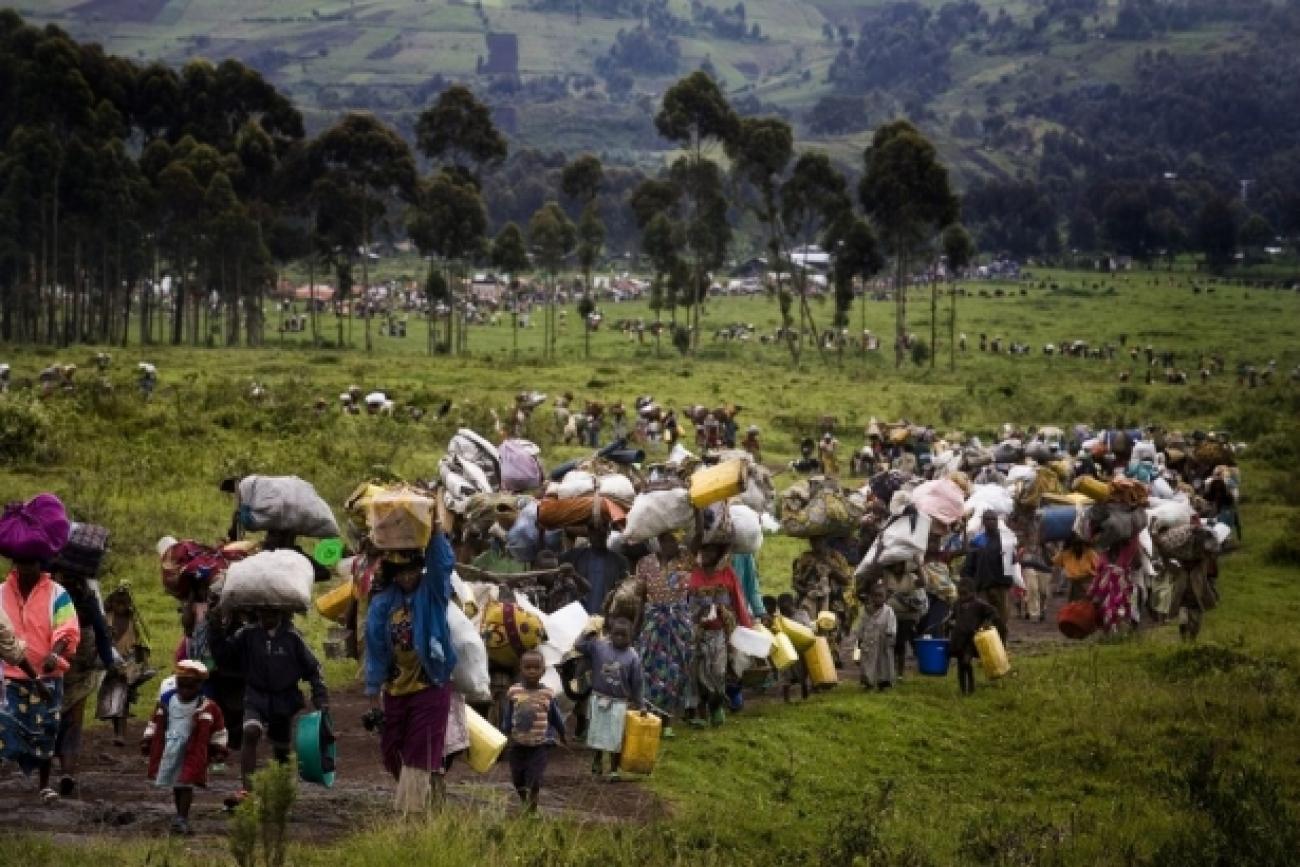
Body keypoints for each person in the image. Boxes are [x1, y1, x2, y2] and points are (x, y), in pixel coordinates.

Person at [364, 538, 458, 813]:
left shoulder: (433, 593)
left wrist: (437, 532)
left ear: (421, 569)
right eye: (401, 572)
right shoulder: (383, 604)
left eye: (413, 570)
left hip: (430, 684)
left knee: (420, 748)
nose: (407, 577)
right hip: (395, 687)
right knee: (392, 750)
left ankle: (411, 814)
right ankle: (432, 793)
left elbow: (442, 565)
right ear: (393, 573)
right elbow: (375, 648)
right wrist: (372, 692)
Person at [209, 607, 329, 805]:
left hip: (285, 698)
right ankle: (247, 791)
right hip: (255, 695)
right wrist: (215, 628)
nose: (267, 618)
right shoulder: (247, 635)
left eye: (271, 614)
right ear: (257, 614)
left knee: (281, 749)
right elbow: (224, 656)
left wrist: (320, 697)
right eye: (263, 614)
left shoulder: (293, 638)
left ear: (281, 614)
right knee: (250, 732)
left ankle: (282, 794)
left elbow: (313, 668)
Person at [0, 556, 77, 803]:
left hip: (48, 676)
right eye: (21, 562)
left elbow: (68, 629)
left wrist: (55, 654)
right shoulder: (1, 593)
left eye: (30, 562)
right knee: (6, 725)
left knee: (46, 729)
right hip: (9, 676)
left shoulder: (57, 593)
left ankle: (44, 785)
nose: (25, 567)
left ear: (40, 564)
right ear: (14, 564)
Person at [143, 660, 228, 836]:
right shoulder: (166, 702)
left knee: (186, 783)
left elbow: (218, 728)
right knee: (177, 783)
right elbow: (155, 722)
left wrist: (219, 748)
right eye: (182, 686)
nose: (185, 691)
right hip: (171, 748)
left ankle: (182, 817)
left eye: (190, 687)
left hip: (193, 750)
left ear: (200, 685)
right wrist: (148, 739)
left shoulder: (207, 706)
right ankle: (180, 816)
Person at [52, 566, 116, 797]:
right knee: (73, 722)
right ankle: (67, 770)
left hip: (52, 668)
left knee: (50, 717)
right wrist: (109, 663)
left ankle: (48, 769)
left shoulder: (52, 596)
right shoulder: (87, 598)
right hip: (79, 670)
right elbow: (101, 632)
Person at [633, 533, 693, 737]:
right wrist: (636, 626)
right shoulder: (645, 564)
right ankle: (650, 717)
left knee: (674, 671)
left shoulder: (685, 559)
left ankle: (667, 721)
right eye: (667, 540)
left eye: (675, 541)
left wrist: (696, 514)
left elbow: (700, 537)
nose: (672, 545)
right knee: (649, 668)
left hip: (678, 623)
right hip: (653, 621)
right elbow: (641, 598)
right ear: (658, 541)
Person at [686, 543, 752, 727]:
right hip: (696, 631)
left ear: (718, 553)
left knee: (718, 671)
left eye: (711, 550)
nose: (706, 553)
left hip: (720, 632)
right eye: (704, 549)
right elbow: (685, 601)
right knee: (697, 673)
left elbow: (738, 601)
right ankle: (701, 712)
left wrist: (746, 627)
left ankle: (716, 707)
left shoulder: (727, 573)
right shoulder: (693, 572)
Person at [575, 617, 644, 779]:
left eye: (624, 635)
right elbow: (579, 645)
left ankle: (613, 770)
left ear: (631, 636)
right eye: (616, 634)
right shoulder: (599, 646)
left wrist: (641, 704)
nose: (619, 638)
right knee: (597, 734)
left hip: (619, 703)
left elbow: (638, 683)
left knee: (616, 738)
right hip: (598, 698)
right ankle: (597, 762)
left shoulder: (633, 657)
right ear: (610, 634)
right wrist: (588, 631)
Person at [502, 649, 568, 811]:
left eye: (536, 668)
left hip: (539, 745)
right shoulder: (514, 692)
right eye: (527, 667)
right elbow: (508, 715)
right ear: (521, 669)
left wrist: (562, 733)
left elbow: (555, 716)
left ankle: (532, 808)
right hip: (517, 745)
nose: (532, 671)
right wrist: (505, 733)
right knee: (517, 779)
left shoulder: (547, 694)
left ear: (543, 671)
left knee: (534, 778)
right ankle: (524, 801)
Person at [97, 583, 154, 747]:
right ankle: (118, 732)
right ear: (112, 603)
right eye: (117, 603)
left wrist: (143, 663)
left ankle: (120, 734)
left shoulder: (133, 621)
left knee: (122, 699)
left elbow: (142, 643)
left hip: (128, 666)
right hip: (110, 665)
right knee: (114, 699)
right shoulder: (106, 618)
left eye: (124, 604)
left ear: (129, 604)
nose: (120, 607)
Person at [961, 511, 1015, 641]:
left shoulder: (1005, 540)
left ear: (997, 521)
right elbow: (969, 566)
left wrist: (1007, 556)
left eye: (993, 519)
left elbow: (1013, 562)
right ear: (983, 522)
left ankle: (1002, 649)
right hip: (982, 587)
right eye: (988, 519)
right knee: (983, 620)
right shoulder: (977, 542)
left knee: (1002, 619)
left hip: (1000, 586)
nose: (991, 522)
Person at [561, 525, 630, 617]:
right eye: (594, 531)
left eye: (602, 532)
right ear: (588, 532)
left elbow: (623, 589)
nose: (598, 535)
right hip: (579, 614)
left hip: (607, 616)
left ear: (608, 532)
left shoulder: (620, 561)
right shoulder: (575, 555)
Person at [949, 578, 999, 696]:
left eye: (965, 594)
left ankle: (971, 686)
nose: (962, 597)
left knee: (966, 661)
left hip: (972, 639)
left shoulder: (979, 604)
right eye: (960, 594)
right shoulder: (957, 604)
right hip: (959, 638)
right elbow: (952, 616)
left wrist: (987, 622)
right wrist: (949, 623)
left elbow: (994, 613)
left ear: (973, 592)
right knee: (960, 664)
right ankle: (963, 690)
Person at [850, 583, 896, 690]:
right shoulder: (864, 611)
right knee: (867, 662)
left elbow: (891, 626)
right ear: (871, 596)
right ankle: (868, 682)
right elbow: (860, 626)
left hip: (883, 641)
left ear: (885, 598)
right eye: (875, 595)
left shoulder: (888, 611)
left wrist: (890, 636)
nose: (878, 598)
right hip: (868, 641)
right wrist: (859, 639)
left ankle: (884, 682)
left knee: (884, 662)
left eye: (881, 596)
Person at [772, 594, 811, 702]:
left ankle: (805, 693)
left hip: (800, 649)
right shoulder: (779, 619)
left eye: (787, 608)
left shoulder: (802, 615)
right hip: (786, 649)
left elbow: (809, 630)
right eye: (782, 609)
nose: (785, 611)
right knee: (785, 673)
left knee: (803, 672)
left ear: (793, 605)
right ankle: (786, 699)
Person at [1053, 534, 1100, 602]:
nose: (1077, 547)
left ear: (1083, 544)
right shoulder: (1066, 553)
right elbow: (1053, 561)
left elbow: (1099, 566)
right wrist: (1062, 549)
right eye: (1075, 545)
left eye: (1079, 544)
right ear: (1072, 545)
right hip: (1073, 584)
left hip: (1086, 582)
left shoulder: (1089, 552)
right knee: (1073, 605)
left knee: (1087, 603)